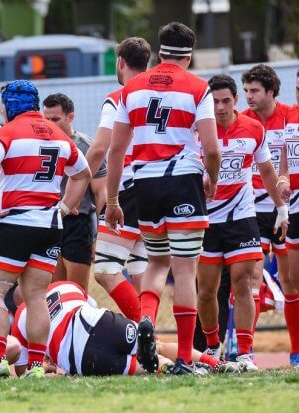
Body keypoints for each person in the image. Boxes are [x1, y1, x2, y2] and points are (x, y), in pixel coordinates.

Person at [105, 22, 221, 375]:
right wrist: (211, 180)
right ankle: (185, 357)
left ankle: (146, 320)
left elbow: (115, 150)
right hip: (183, 180)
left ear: (160, 50)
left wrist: (112, 201)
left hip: (144, 183)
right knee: (185, 269)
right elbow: (212, 149)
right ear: (189, 54)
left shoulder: (131, 88)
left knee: (156, 263)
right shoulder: (198, 88)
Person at [0, 80, 91, 379]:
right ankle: (37, 366)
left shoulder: (3, 133)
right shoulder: (60, 136)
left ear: (7, 106)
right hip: (50, 225)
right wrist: (62, 208)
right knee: (36, 296)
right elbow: (83, 174)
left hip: (13, 223)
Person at [197, 75, 288, 371]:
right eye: (215, 102)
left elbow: (268, 172)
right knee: (207, 290)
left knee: (245, 284)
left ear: (235, 101)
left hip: (242, 218)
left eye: (226, 101)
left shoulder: (252, 129)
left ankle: (246, 353)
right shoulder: (196, 130)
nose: (220, 107)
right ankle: (213, 349)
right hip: (207, 221)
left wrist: (281, 208)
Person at [12, 281, 243, 377]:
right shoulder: (64, 286)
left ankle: (181, 371)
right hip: (96, 320)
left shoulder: (20, 318)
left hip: (79, 357)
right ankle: (219, 365)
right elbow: (93, 305)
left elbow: (24, 371)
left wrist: (49, 364)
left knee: (147, 367)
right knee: (156, 346)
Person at [85, 37, 151, 322]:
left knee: (105, 269)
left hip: (130, 190)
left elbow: (101, 147)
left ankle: (145, 329)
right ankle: (155, 337)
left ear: (121, 62)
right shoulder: (162, 95)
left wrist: (76, 178)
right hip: (159, 187)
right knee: (141, 267)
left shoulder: (120, 97)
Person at [241, 64, 292, 336]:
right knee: (249, 279)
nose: (248, 96)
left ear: (271, 92)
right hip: (253, 210)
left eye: (255, 91)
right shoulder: (242, 121)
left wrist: (285, 179)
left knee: (290, 280)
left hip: (286, 209)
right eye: (246, 90)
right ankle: (243, 348)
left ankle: (295, 353)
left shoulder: (289, 119)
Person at [42, 92, 106, 291]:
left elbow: (101, 192)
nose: (50, 124)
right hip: (48, 222)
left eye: (55, 119)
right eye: (46, 119)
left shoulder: (86, 146)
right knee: (54, 291)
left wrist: (100, 237)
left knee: (76, 291)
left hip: (77, 223)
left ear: (70, 117)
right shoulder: (40, 144)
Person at [281, 74, 299, 366]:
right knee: (293, 282)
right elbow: (284, 159)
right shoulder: (290, 116)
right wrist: (283, 177)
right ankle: (296, 351)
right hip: (294, 206)